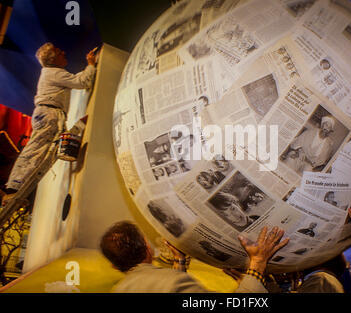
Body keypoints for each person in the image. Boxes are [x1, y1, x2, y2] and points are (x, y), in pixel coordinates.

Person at [2, 43, 97, 206]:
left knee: (38, 149)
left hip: (48, 113)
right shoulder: (54, 73)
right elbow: (82, 81)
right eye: (59, 52)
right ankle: (12, 189)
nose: (63, 52)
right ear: (53, 59)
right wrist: (90, 64)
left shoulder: (51, 73)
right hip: (49, 113)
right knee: (35, 151)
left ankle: (14, 188)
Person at [100, 221, 289, 293]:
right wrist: (257, 263)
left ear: (115, 266)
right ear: (147, 247)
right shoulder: (171, 283)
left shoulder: (119, 290)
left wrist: (179, 262)